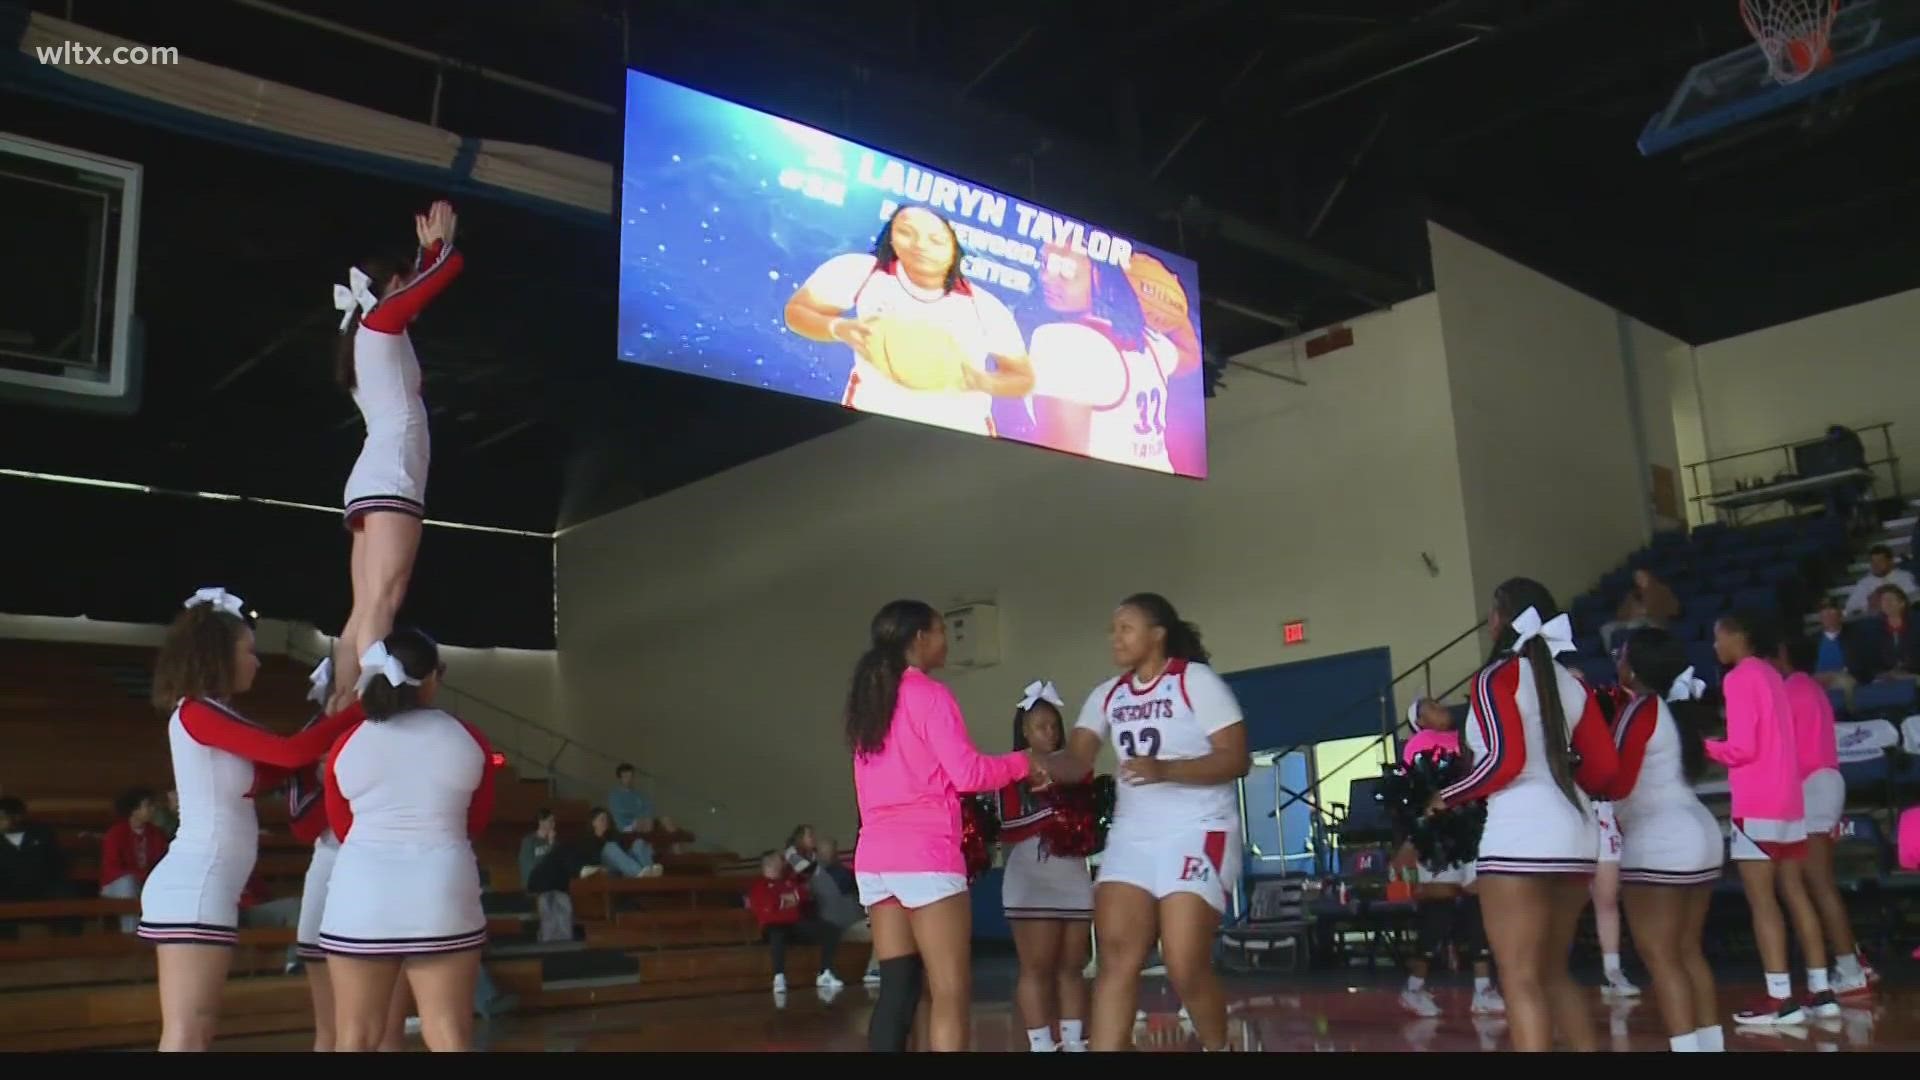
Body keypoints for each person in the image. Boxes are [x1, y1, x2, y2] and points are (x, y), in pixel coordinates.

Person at [845, 599, 1077, 1052]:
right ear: (919, 639)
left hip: (874, 859)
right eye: (940, 632)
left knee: (897, 988)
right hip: (925, 857)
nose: (945, 641)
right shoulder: (929, 694)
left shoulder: (870, 703)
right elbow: (968, 774)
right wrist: (1021, 763)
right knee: (950, 990)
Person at [137, 588, 362, 1051]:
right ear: (220, 654)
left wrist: (326, 730)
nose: (257, 662)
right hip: (196, 885)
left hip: (206, 885)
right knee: (188, 1031)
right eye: (250, 651)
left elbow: (280, 766)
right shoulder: (198, 711)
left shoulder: (214, 713)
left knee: (196, 1029)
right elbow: (289, 752)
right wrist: (362, 707)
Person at [1433, 579, 1618, 1053]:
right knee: (1555, 973)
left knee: (1520, 980)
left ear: (1499, 619)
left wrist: (1445, 796)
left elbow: (1503, 762)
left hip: (1521, 834)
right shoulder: (1572, 683)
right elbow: (1605, 770)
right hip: (1576, 833)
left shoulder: (1496, 677)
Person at [1059, 593, 1249, 1053]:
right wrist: (1029, 764)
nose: (1115, 637)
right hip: (1132, 836)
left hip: (1200, 829)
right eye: (1113, 628)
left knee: (1183, 962)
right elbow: (1075, 761)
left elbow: (1236, 758)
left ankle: (1218, 1046)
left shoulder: (1195, 681)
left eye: (1125, 627)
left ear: (1157, 634)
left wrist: (1165, 770)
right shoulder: (1107, 693)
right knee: (1118, 959)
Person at [320, 629, 496, 1052]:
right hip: (441, 888)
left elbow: (340, 825)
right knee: (449, 1034)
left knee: (355, 1037)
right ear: (434, 677)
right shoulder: (468, 738)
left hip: (362, 893)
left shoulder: (348, 742)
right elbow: (478, 819)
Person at [325, 201, 465, 712]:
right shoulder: (382, 321)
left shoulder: (370, 330)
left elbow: (425, 281)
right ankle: (370, 708)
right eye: (404, 283)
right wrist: (438, 248)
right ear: (391, 287)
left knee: (365, 605)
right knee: (383, 599)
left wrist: (426, 254)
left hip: (375, 472)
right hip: (393, 472)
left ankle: (340, 704)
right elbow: (447, 271)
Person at [784, 205, 1035, 437]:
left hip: (961, 441)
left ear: (954, 249)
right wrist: (837, 328)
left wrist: (983, 381)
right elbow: (797, 311)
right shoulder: (861, 272)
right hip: (869, 430)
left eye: (935, 240)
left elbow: (1023, 378)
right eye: (906, 232)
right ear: (891, 237)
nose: (920, 245)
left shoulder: (984, 305)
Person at [1707, 611, 1838, 1026]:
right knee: (1795, 892)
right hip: (1789, 801)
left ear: (1738, 636)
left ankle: (1779, 996)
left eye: (1718, 637)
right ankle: (1821, 990)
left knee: (1762, 901)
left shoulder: (1739, 677)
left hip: (1757, 801)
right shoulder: (1772, 675)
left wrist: (1707, 746)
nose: (1715, 645)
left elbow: (1743, 748)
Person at [1607, 628, 1726, 1052]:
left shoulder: (1640, 709)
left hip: (1661, 837)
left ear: (1634, 666)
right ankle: (1711, 1047)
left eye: (1621, 654)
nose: (1616, 661)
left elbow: (1616, 782)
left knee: (1661, 956)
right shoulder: (1677, 710)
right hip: (1701, 831)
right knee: (1688, 951)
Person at [1025, 242, 1199, 474]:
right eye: (1044, 264)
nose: (1046, 277)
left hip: (1104, 502)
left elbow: (1062, 471)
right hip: (1159, 496)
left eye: (1065, 270)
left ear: (1099, 277)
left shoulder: (1063, 343)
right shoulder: (1150, 340)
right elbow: (1191, 356)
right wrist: (1172, 302)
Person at [997, 680, 1096, 1052]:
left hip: (1071, 874)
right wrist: (1055, 817)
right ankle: (1041, 1045)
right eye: (1041, 725)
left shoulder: (1076, 767)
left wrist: (1077, 820)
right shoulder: (1012, 769)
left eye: (1054, 725)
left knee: (1073, 965)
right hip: (1031, 877)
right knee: (1037, 968)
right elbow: (1008, 828)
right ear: (1024, 730)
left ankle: (1075, 1042)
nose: (1050, 732)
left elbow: (1087, 816)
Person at [1395, 698, 1504, 1018]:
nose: (1440, 706)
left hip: (1470, 827)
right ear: (1419, 720)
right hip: (1439, 835)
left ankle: (1483, 988)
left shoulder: (1466, 738)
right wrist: (1415, 839)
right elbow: (1421, 795)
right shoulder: (1418, 745)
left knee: (1477, 899)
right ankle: (1413, 987)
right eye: (1430, 705)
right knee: (1439, 908)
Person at [1777, 637, 1870, 998]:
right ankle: (1853, 961)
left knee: (1816, 883)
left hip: (1813, 783)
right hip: (1824, 780)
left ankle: (1849, 969)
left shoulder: (1789, 690)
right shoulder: (1808, 686)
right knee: (1816, 883)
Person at [746, 850, 843, 993]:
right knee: (776, 932)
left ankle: (825, 973)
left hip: (794, 924)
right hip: (773, 927)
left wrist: (787, 900)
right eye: (779, 860)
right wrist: (788, 900)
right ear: (770, 863)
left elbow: (803, 895)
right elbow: (769, 907)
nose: (784, 862)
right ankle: (779, 977)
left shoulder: (787, 881)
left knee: (830, 929)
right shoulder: (759, 886)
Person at [99, 787, 168, 932]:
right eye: (148, 805)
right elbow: (112, 869)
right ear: (134, 810)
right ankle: (131, 934)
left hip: (146, 883)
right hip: (116, 886)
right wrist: (140, 876)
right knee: (128, 883)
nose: (152, 809)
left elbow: (163, 863)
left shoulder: (156, 834)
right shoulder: (115, 834)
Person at [519, 809, 577, 943]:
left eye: (554, 821)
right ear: (541, 822)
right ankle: (548, 939)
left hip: (555, 884)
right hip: (537, 883)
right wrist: (550, 846)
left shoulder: (556, 843)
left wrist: (552, 844)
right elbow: (529, 866)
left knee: (563, 901)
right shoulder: (529, 841)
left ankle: (564, 939)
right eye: (550, 821)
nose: (553, 824)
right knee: (546, 901)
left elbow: (560, 865)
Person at [0, 797, 67, 903]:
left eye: (1, 818)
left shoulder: (41, 832)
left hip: (42, 887)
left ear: (17, 817)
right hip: (5, 890)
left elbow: (56, 862)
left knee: (63, 893)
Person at [1841, 545, 1917, 617]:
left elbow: (1913, 599)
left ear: (1890, 561)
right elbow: (1851, 608)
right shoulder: (1864, 583)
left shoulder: (1904, 576)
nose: (1876, 565)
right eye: (1873, 562)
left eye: (1880, 561)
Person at [584, 808, 662, 878]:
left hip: (624, 866)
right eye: (602, 819)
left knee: (639, 843)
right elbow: (591, 861)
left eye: (607, 819)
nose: (606, 822)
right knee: (610, 847)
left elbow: (624, 853)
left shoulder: (614, 835)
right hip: (607, 868)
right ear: (593, 822)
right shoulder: (589, 840)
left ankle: (650, 871)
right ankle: (638, 873)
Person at [608, 763, 656, 838]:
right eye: (626, 777)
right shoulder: (615, 796)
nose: (629, 780)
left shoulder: (639, 795)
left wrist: (644, 819)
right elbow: (619, 820)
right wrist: (635, 823)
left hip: (642, 827)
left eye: (631, 776)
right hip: (625, 830)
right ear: (620, 778)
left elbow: (648, 809)